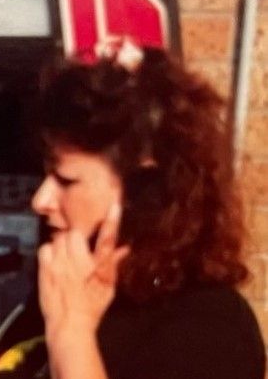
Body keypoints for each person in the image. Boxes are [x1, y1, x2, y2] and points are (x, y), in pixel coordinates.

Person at [22, 47, 265, 379]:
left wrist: (72, 336)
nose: (41, 200)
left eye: (66, 180)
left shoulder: (207, 330)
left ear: (142, 191)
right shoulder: (70, 294)